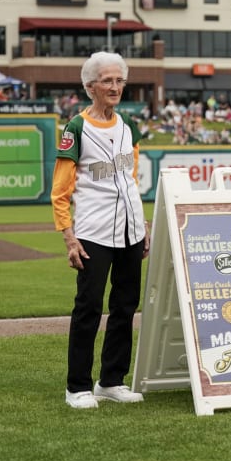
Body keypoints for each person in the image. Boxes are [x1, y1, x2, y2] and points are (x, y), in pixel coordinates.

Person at [51, 51, 150, 409]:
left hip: (130, 230)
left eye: (119, 80)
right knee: (89, 307)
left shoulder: (128, 127)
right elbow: (60, 190)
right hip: (92, 231)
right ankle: (77, 387)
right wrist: (68, 236)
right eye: (107, 80)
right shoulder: (76, 128)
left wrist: (143, 223)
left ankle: (111, 380)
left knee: (125, 306)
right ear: (90, 86)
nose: (114, 86)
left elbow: (131, 178)